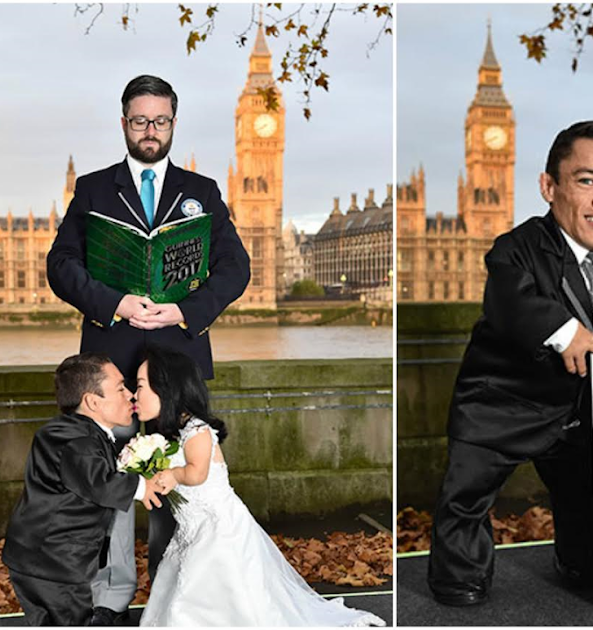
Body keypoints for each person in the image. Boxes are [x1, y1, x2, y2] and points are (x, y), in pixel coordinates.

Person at [426, 120, 593, 606]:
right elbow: (513, 300)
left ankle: (579, 561)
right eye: (587, 181)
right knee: (466, 497)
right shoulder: (516, 249)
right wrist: (566, 331)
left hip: (578, 412)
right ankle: (461, 578)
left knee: (584, 496)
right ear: (549, 187)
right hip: (501, 404)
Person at [45, 74, 250, 625]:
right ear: (124, 124)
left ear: (173, 124)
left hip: (176, 365)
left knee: (177, 490)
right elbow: (60, 266)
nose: (150, 130)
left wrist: (184, 309)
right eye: (140, 120)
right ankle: (111, 600)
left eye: (160, 120)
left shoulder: (201, 191)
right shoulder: (92, 189)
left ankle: (173, 601)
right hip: (110, 366)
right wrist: (118, 302)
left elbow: (236, 267)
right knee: (109, 484)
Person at [131, 345, 385, 626]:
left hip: (218, 529)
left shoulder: (197, 432)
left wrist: (175, 475)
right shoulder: (174, 434)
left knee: (211, 584)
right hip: (192, 528)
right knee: (195, 582)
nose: (134, 394)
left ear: (167, 388)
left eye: (140, 385)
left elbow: (197, 473)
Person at [2, 354, 163, 626]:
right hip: (55, 565)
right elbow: (98, 483)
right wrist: (140, 486)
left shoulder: (66, 431)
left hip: (35, 557)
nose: (131, 396)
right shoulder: (77, 442)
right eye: (121, 388)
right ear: (92, 401)